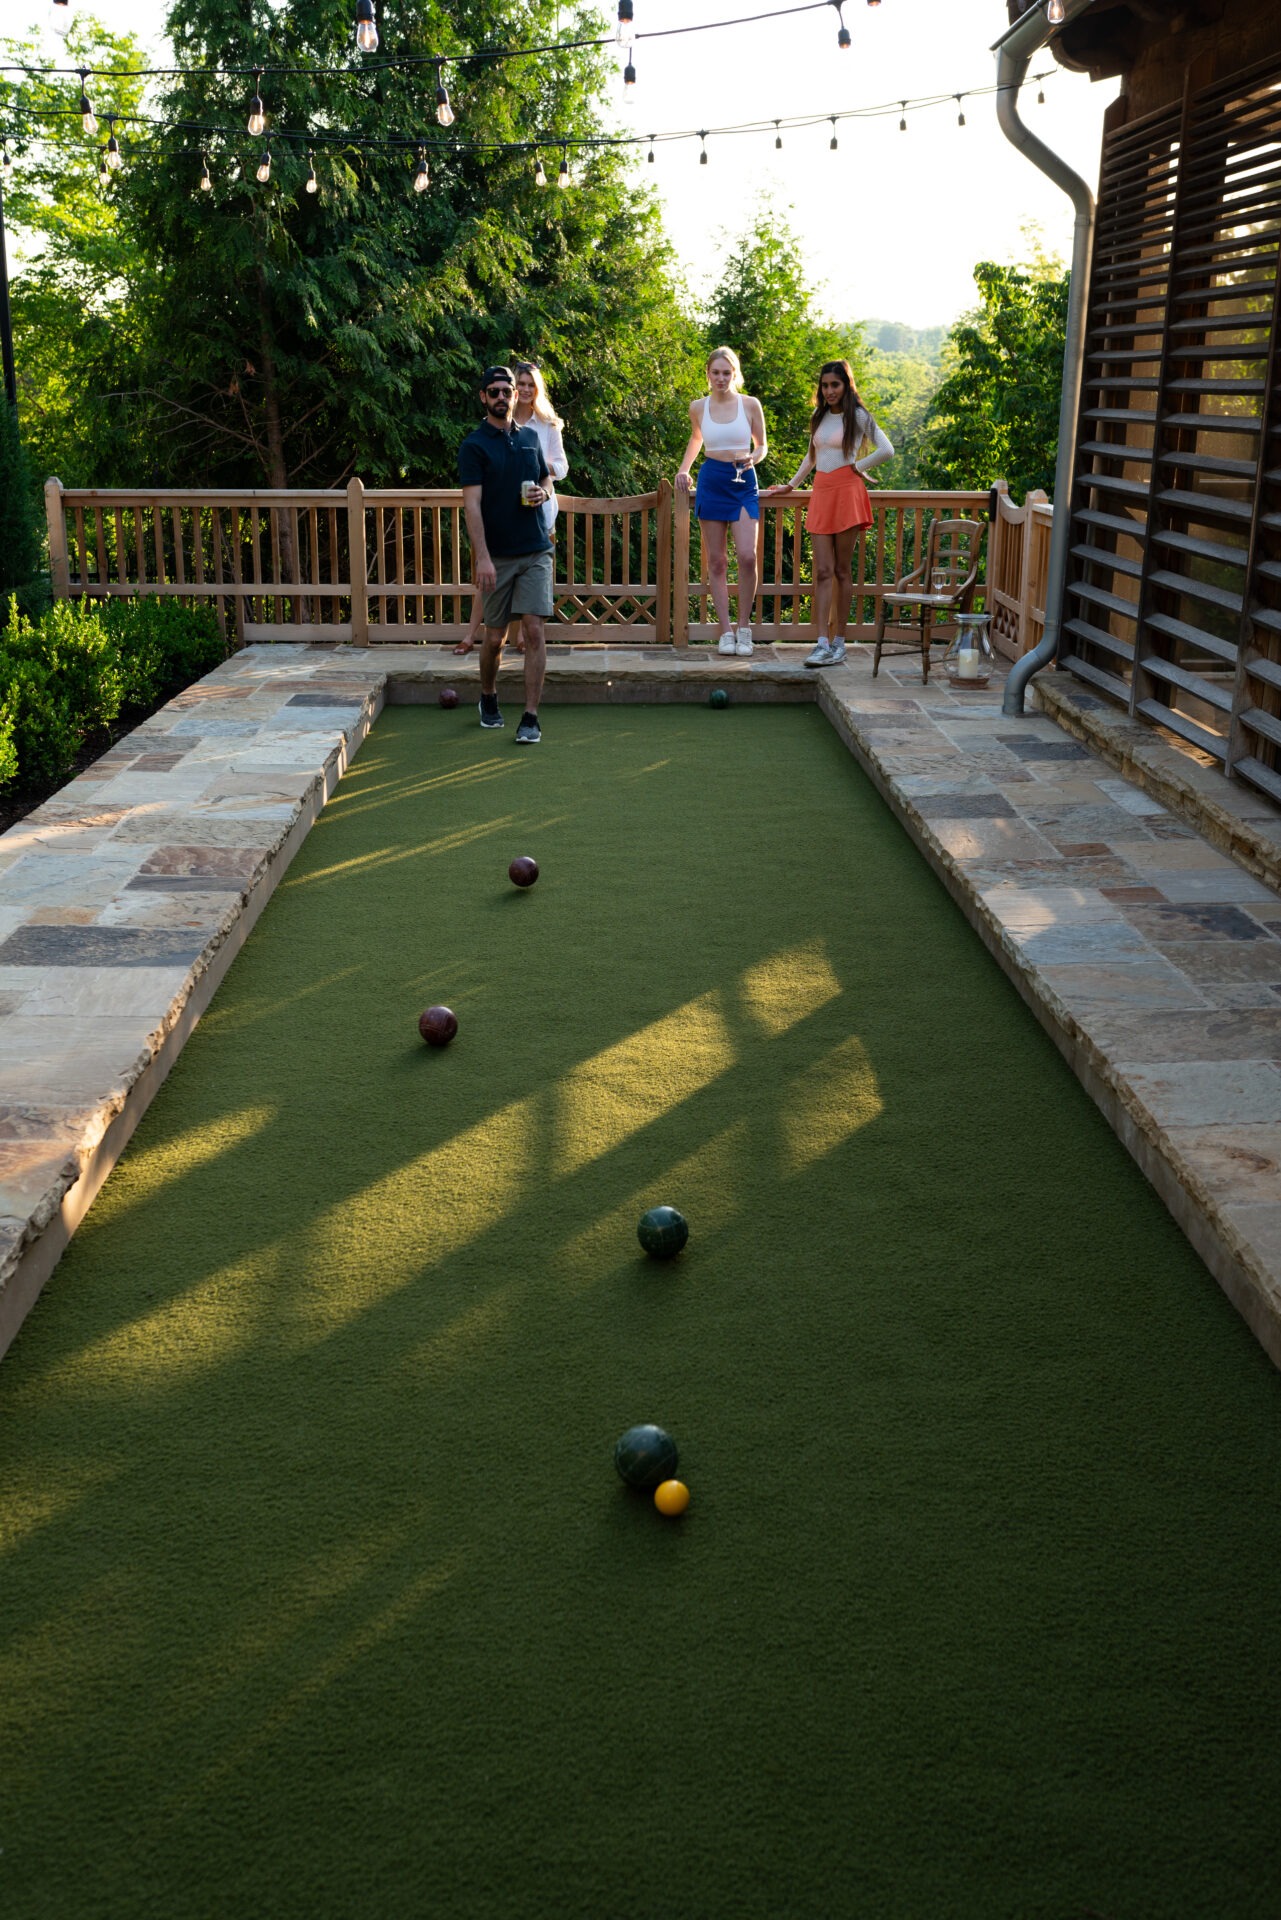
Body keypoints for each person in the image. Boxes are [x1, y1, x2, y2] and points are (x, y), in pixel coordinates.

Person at [763, 361, 894, 668]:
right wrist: (791, 485)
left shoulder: (859, 416)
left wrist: (857, 467)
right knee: (823, 571)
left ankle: (839, 643)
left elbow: (887, 450)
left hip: (847, 492)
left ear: (846, 385)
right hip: (822, 492)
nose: (830, 391)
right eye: (825, 386)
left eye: (835, 385)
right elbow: (812, 456)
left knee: (842, 571)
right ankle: (821, 642)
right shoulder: (818, 416)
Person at [458, 364, 551, 744]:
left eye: (506, 391)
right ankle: (488, 696)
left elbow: (544, 478)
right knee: (494, 637)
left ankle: (530, 717)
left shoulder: (530, 438)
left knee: (533, 629)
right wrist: (482, 557)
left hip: (536, 549)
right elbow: (472, 505)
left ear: (516, 395)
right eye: (493, 391)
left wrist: (543, 493)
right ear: (483, 397)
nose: (501, 397)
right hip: (496, 556)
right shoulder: (473, 446)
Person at [455, 360, 569, 656]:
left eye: (530, 385)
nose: (523, 390)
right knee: (490, 578)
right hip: (502, 520)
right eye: (521, 384)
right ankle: (473, 635)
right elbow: (474, 499)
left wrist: (541, 484)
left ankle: (523, 640)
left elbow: (558, 468)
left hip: (539, 515)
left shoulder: (544, 426)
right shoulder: (487, 433)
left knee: (531, 593)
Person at [675, 347, 769, 657]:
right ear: (708, 374)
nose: (720, 378)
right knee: (716, 561)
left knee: (747, 556)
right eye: (715, 372)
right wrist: (684, 469)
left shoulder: (750, 404)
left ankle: (744, 628)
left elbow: (762, 446)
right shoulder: (697, 407)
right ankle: (726, 631)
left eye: (726, 372)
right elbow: (696, 438)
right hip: (712, 480)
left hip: (743, 481)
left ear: (735, 374)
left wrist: (752, 458)